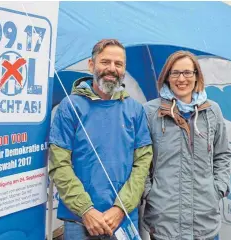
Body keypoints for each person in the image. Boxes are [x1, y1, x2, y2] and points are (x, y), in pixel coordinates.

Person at [48, 39, 153, 240]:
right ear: (91, 65)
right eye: (105, 62)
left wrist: (120, 208)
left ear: (124, 69)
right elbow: (59, 165)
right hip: (79, 220)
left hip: (123, 219)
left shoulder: (135, 110)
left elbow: (142, 165)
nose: (112, 68)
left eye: (118, 64)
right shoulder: (70, 107)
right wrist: (86, 210)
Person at [142, 51, 231, 240]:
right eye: (175, 73)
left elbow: (222, 154)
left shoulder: (212, 110)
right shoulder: (150, 112)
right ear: (166, 76)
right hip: (164, 222)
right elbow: (140, 161)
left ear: (197, 75)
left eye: (187, 73)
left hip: (205, 221)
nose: (181, 79)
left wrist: (218, 189)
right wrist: (151, 194)